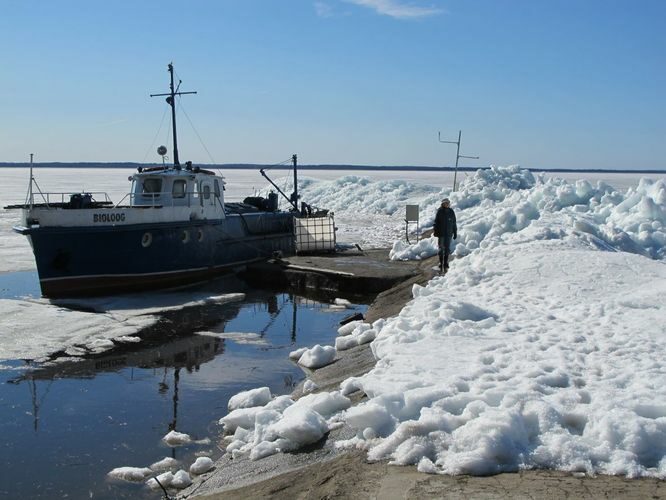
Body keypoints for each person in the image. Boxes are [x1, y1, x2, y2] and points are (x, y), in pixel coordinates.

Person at [433, 198, 457, 271]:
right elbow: (436, 222)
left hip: (449, 233)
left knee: (447, 249)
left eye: (447, 203)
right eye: (445, 203)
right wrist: (436, 231)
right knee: (441, 249)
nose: (446, 204)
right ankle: (441, 263)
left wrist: (455, 232)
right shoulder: (440, 211)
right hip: (441, 233)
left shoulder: (451, 211)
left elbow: (454, 223)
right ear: (442, 204)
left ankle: (446, 263)